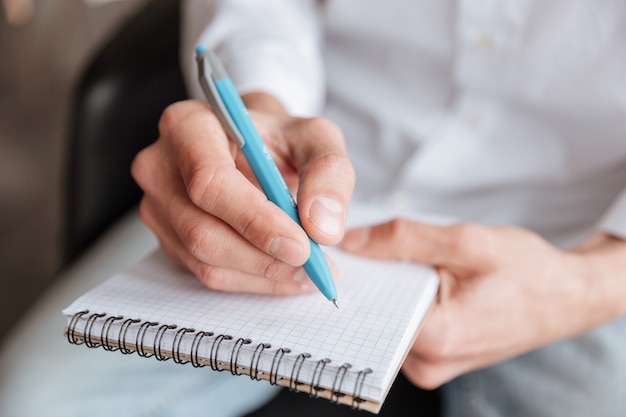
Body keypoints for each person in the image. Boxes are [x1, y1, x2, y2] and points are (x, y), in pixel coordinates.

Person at [1, 1, 625, 416]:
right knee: (27, 402)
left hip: (579, 237)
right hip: (305, 161)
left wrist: (595, 284)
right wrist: (260, 106)